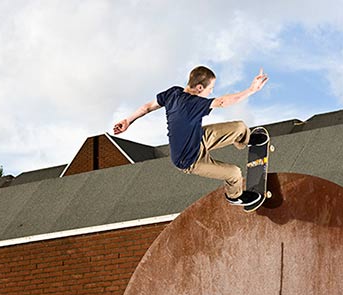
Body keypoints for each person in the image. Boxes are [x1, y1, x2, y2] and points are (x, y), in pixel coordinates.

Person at [113, 66, 269, 210]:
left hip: (198, 137)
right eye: (210, 89)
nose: (210, 92)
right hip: (190, 159)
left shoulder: (173, 93)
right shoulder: (193, 104)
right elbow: (222, 102)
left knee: (240, 127)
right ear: (199, 87)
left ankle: (246, 140)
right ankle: (235, 197)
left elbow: (147, 107)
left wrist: (128, 120)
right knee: (234, 173)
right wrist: (251, 90)